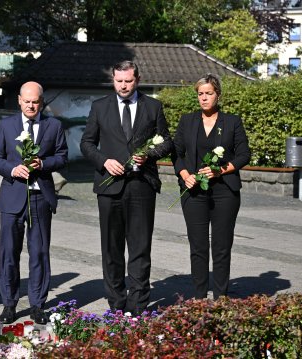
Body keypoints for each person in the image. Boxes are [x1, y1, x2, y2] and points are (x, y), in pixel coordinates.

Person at [80, 60, 173, 315]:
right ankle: (117, 303)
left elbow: (166, 142)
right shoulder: (100, 107)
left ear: (137, 80)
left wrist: (150, 154)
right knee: (111, 249)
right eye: (119, 81)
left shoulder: (152, 106)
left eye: (128, 81)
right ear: (113, 80)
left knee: (140, 248)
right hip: (109, 189)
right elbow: (87, 144)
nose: (123, 85)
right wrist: (104, 161)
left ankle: (139, 304)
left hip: (142, 186)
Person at [0, 81, 68, 325]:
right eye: (27, 101)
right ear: (19, 101)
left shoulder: (53, 125)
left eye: (36, 101)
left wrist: (43, 164)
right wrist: (12, 170)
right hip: (12, 197)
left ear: (41, 102)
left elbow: (62, 156)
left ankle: (37, 305)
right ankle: (10, 304)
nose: (31, 105)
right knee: (9, 254)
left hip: (40, 198)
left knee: (40, 254)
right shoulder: (6, 125)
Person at [172, 74, 250, 299]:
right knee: (198, 247)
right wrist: (185, 174)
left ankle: (220, 298)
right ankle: (198, 298)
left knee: (222, 246)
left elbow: (244, 154)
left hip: (225, 191)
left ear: (218, 95)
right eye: (200, 94)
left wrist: (221, 170)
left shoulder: (232, 121)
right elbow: (176, 153)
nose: (204, 98)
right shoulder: (187, 120)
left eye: (208, 93)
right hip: (194, 190)